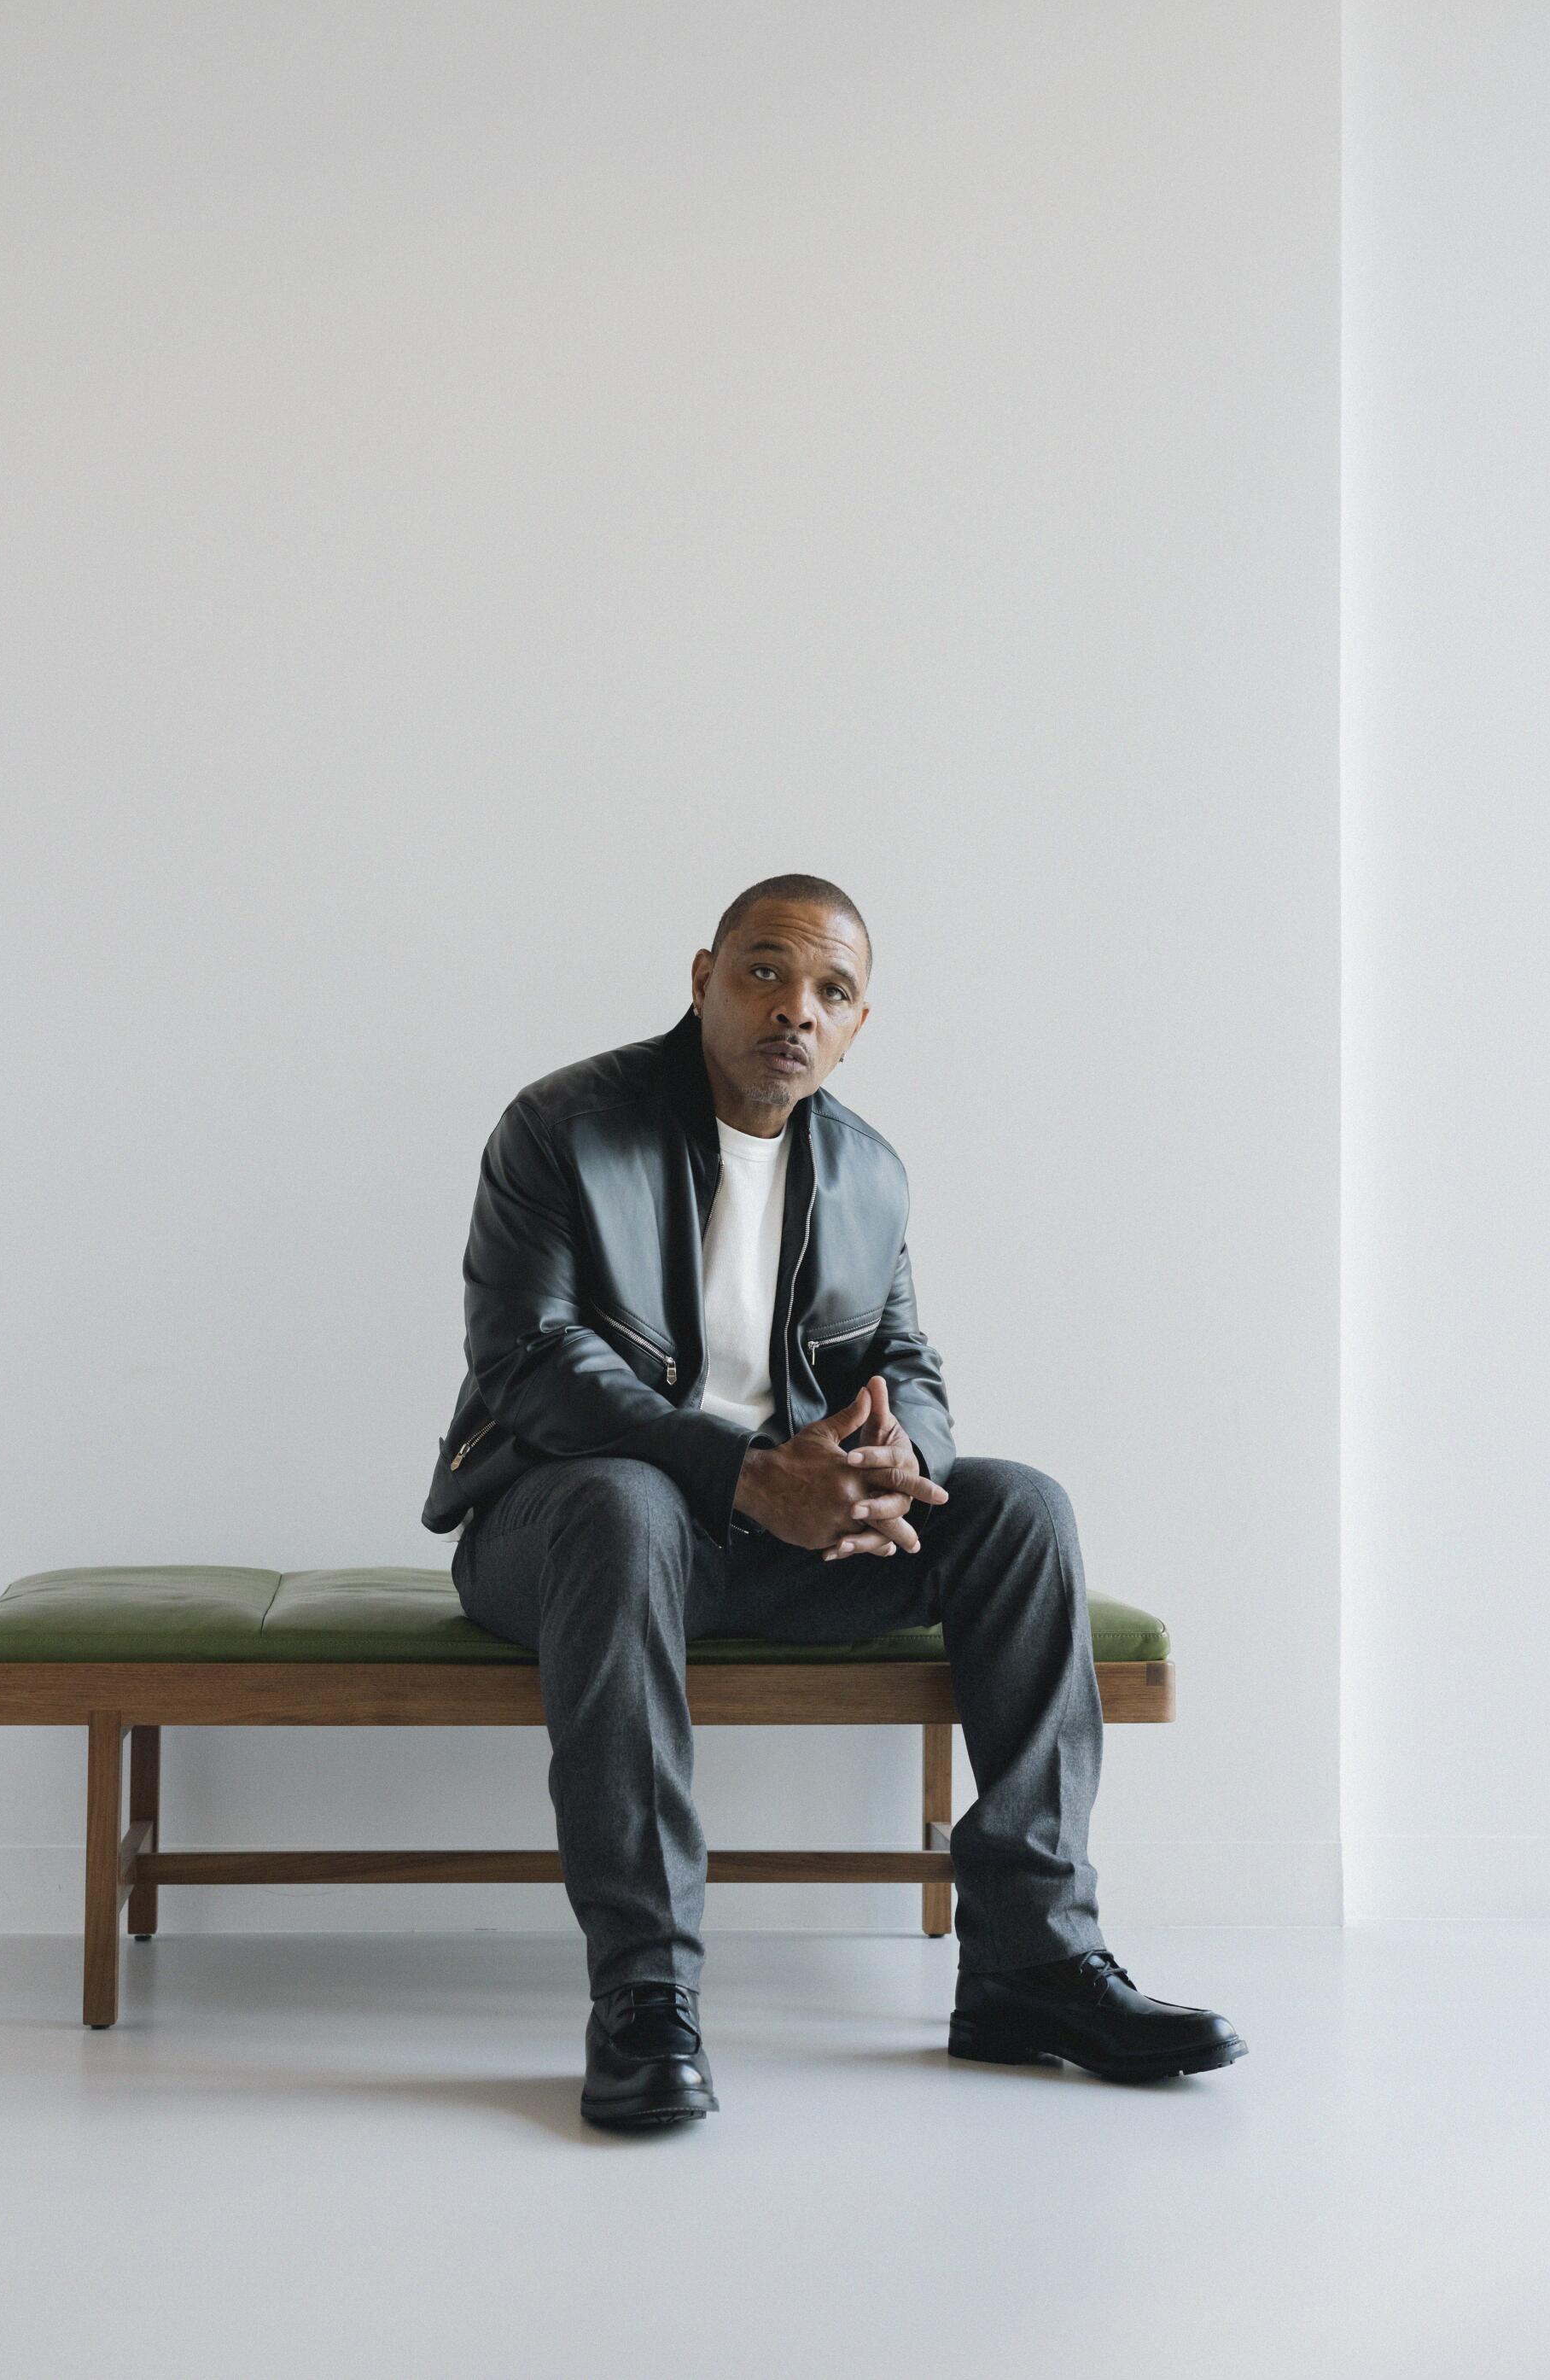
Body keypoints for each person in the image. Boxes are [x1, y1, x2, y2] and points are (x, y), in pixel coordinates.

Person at [422, 873, 1246, 2127]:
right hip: (564, 1533)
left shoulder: (868, 1171)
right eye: (764, 970)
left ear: (859, 1023)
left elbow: (906, 1361)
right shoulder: (564, 1127)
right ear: (701, 976)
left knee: (1021, 1509)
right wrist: (748, 1474)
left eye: (831, 990)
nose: (793, 1008)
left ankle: (1032, 1960)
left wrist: (894, 1468)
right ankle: (646, 1992)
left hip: (780, 1533)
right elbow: (528, 1363)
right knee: (624, 1505)